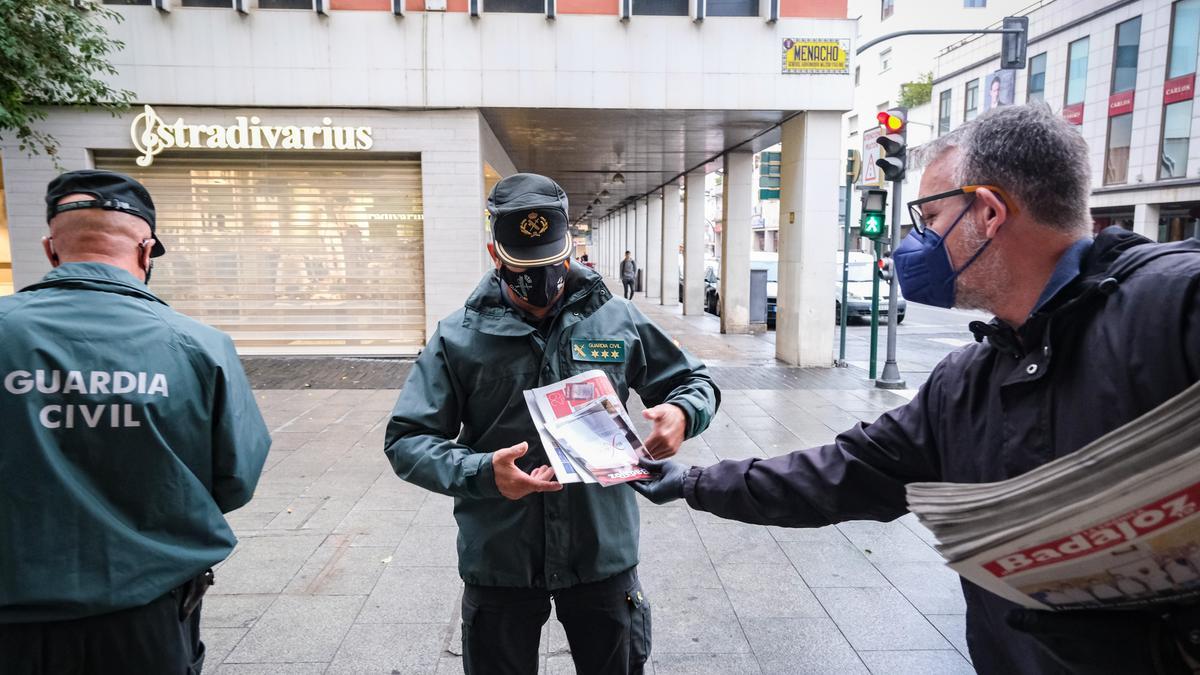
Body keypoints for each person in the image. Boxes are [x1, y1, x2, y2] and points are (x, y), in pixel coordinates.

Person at [631, 104, 1200, 674]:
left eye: (929, 220)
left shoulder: (1173, 311)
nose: (916, 243)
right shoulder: (968, 381)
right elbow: (847, 471)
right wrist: (695, 483)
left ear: (990, 212)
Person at [384, 173, 718, 675]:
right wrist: (481, 472)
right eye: (524, 266)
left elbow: (695, 382)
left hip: (601, 551)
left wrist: (682, 413)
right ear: (496, 255)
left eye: (551, 263)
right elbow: (407, 440)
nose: (540, 280)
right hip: (501, 557)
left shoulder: (617, 320)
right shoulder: (457, 338)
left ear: (568, 252)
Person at [0, 170, 272, 673]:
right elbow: (235, 478)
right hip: (144, 616)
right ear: (146, 251)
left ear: (50, 248)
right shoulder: (200, 346)